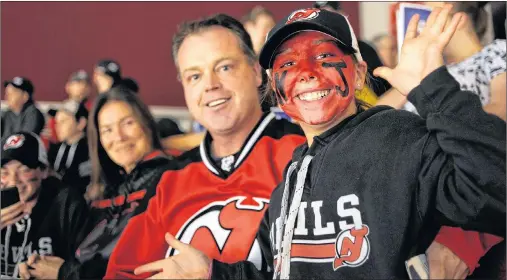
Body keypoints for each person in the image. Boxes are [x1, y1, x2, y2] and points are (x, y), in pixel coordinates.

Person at [128, 5, 505, 279]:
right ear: (275, 88)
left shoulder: (400, 138)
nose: (306, 74)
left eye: (325, 57)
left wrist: (432, 88)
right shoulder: (291, 179)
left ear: (358, 74)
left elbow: (496, 186)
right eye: (288, 66)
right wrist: (212, 273)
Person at [104, 13, 306, 279]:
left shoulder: (304, 154)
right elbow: (123, 272)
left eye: (224, 67)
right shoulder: (169, 181)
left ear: (257, 72)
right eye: (194, 76)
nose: (210, 85)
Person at [18, 87, 177, 280]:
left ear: (147, 125)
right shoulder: (108, 191)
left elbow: (141, 268)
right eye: (107, 130)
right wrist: (45, 266)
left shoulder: (171, 181)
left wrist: (64, 273)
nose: (118, 137)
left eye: (127, 123)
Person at [386, 2, 506, 122]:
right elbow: (375, 116)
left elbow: (501, 109)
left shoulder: (495, 51)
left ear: (458, 20)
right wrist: (411, 77)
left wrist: (440, 128)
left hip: (447, 137)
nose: (426, 29)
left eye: (433, 20)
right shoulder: (433, 69)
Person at [0, 132, 89, 279]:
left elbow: (84, 268)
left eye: (24, 170)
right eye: (4, 172)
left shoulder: (66, 205)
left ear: (44, 171)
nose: (13, 180)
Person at [47, 101, 91, 194]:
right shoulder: (55, 149)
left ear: (81, 123)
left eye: (63, 121)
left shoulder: (89, 150)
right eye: (56, 122)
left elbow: (84, 183)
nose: (57, 126)